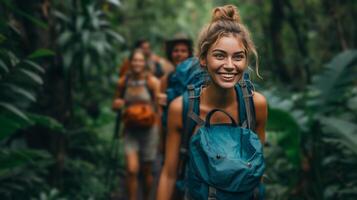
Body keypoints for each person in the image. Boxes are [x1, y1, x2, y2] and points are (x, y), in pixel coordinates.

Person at [156, 4, 268, 200]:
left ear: (246, 60)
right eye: (219, 55)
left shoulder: (255, 106)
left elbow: (257, 170)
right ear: (203, 59)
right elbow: (169, 174)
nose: (230, 66)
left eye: (238, 57)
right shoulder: (182, 108)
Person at [112, 49, 160, 200]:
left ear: (144, 63)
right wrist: (117, 105)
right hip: (130, 130)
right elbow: (115, 104)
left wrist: (160, 135)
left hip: (149, 130)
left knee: (146, 171)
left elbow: (158, 109)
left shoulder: (152, 82)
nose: (137, 63)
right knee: (132, 170)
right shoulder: (123, 82)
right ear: (130, 62)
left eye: (140, 60)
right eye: (134, 60)